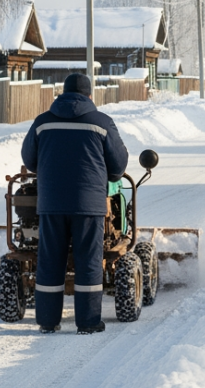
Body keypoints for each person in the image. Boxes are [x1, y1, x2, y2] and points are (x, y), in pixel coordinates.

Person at [21, 73, 129, 335]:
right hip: (89, 205)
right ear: (89, 95)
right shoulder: (102, 123)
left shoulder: (42, 122)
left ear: (63, 93)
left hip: (51, 204)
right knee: (88, 261)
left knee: (50, 260)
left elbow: (29, 160)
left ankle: (48, 321)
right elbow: (118, 166)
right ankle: (88, 322)